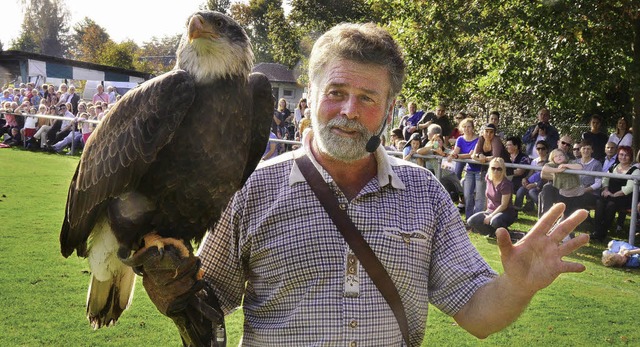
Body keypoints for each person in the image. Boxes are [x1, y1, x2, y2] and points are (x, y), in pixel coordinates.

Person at [138, 22, 590, 346]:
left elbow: (478, 314)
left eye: (367, 98)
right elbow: (209, 301)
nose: (349, 110)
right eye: (336, 93)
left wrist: (518, 286)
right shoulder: (249, 189)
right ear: (310, 97)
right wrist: (177, 290)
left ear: (390, 108)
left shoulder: (426, 194)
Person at [592, 146, 639, 242]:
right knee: (599, 202)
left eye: (627, 155)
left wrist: (614, 195)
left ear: (631, 157)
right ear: (618, 155)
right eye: (621, 154)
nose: (623, 157)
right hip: (609, 194)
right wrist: (605, 189)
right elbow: (605, 179)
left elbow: (629, 188)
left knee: (611, 205)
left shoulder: (635, 170)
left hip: (625, 198)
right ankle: (597, 230)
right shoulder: (613, 166)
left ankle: (602, 233)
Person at [467, 158, 518, 237]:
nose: (495, 171)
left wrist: (491, 216)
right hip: (491, 210)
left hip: (506, 212)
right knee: (471, 221)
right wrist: (486, 211)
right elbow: (487, 196)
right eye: (493, 168)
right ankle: (492, 233)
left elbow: (504, 205)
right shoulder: (488, 178)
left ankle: (507, 234)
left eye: (499, 169)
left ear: (503, 170)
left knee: (494, 221)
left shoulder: (506, 184)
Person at [514, 140, 549, 212]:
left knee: (532, 192)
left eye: (543, 148)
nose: (540, 150)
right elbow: (531, 173)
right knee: (520, 190)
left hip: (543, 183)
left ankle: (543, 211)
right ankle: (515, 212)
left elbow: (548, 177)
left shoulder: (549, 161)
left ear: (547, 150)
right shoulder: (534, 161)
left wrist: (535, 184)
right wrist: (525, 179)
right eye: (538, 149)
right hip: (532, 181)